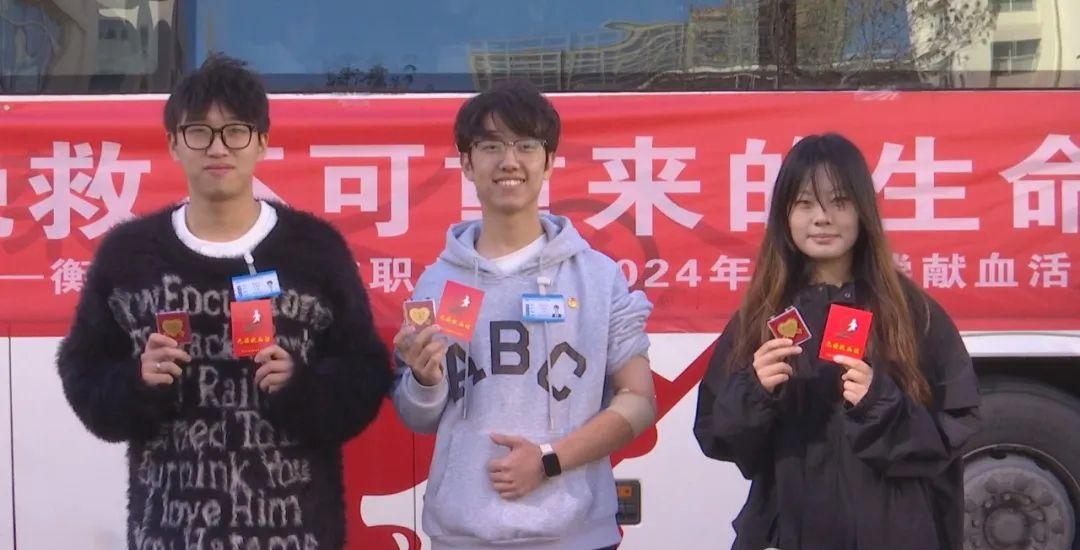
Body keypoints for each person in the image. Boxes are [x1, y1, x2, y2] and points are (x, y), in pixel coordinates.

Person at [56, 54, 391, 549]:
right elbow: (84, 376)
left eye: (235, 131)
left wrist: (300, 385)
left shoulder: (314, 250)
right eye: (199, 132)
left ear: (262, 141)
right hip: (169, 533)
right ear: (173, 143)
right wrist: (137, 382)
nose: (218, 147)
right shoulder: (129, 256)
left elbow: (365, 374)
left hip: (297, 533)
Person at [391, 80, 657, 550]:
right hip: (463, 537)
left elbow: (638, 400)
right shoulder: (436, 282)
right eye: (490, 146)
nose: (509, 161)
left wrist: (550, 459)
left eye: (526, 146)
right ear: (467, 163)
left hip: (577, 537)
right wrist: (424, 380)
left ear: (549, 161)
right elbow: (419, 419)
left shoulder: (598, 277)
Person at [693, 133, 980, 550]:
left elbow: (952, 430)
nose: (822, 218)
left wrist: (879, 404)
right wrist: (755, 391)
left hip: (891, 532)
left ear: (863, 212)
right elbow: (717, 435)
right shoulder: (761, 316)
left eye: (840, 202)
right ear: (784, 215)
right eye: (805, 203)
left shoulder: (911, 312)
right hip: (791, 530)